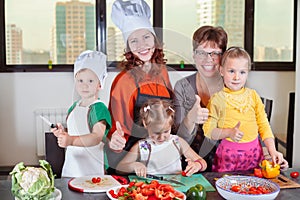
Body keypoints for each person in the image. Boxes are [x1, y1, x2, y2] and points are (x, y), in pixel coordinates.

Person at [106, 0, 173, 173]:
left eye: (146, 37)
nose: (142, 46)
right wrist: (115, 141)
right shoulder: (124, 81)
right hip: (133, 160)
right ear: (128, 47)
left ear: (154, 39)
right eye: (134, 41)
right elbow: (117, 130)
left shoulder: (163, 72)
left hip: (161, 155)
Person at [203, 47, 289, 172]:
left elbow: (264, 125)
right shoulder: (217, 99)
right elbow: (208, 130)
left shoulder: (253, 95)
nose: (236, 77)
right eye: (231, 71)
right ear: (221, 71)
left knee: (252, 187)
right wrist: (228, 133)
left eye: (242, 72)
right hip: (228, 156)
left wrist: (273, 151)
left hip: (254, 153)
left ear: (247, 73)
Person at [173, 26, 227, 171]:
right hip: (191, 164)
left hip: (228, 163)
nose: (208, 59)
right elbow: (177, 139)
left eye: (215, 53)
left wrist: (267, 150)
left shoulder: (233, 85)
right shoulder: (182, 87)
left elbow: (250, 124)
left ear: (223, 57)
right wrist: (190, 119)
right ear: (193, 55)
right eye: (201, 53)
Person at [51, 50, 112, 177]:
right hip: (72, 166)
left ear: (99, 84)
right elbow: (75, 132)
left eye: (90, 81)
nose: (84, 85)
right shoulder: (73, 107)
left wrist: (71, 141)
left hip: (92, 168)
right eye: (80, 81)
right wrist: (62, 133)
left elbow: (96, 137)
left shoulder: (99, 108)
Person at [116, 99, 207, 177]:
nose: (161, 137)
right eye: (156, 133)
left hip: (176, 189)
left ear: (171, 125)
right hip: (150, 188)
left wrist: (197, 165)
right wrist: (133, 166)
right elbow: (119, 168)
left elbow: (203, 163)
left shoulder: (178, 142)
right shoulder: (141, 146)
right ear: (145, 124)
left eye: (166, 131)